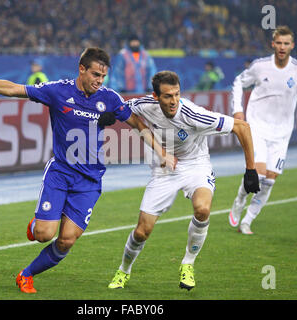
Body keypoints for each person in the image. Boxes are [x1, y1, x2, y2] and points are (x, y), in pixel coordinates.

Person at [0, 47, 177, 294]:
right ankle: (37, 223)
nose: (99, 81)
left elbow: (137, 124)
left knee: (66, 240)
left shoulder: (109, 98)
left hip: (90, 180)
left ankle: (26, 275)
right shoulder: (57, 91)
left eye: (103, 77)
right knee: (45, 234)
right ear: (82, 69)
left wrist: (162, 152)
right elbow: (14, 89)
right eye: (95, 74)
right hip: (60, 173)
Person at [107, 70, 259, 291]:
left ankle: (188, 264)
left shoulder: (192, 114)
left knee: (202, 210)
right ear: (156, 96)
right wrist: (111, 115)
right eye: (168, 96)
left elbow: (241, 127)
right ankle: (124, 270)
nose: (174, 101)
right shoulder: (146, 105)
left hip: (196, 165)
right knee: (142, 232)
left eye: (177, 94)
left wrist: (251, 170)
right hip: (163, 170)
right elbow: (121, 106)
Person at [228, 26, 297, 235]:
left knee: (270, 180)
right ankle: (240, 199)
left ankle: (247, 221)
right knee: (259, 175)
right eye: (278, 43)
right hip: (258, 127)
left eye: (286, 43)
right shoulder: (260, 66)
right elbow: (238, 82)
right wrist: (237, 110)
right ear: (273, 44)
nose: (282, 47)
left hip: (281, 133)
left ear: (292, 45)